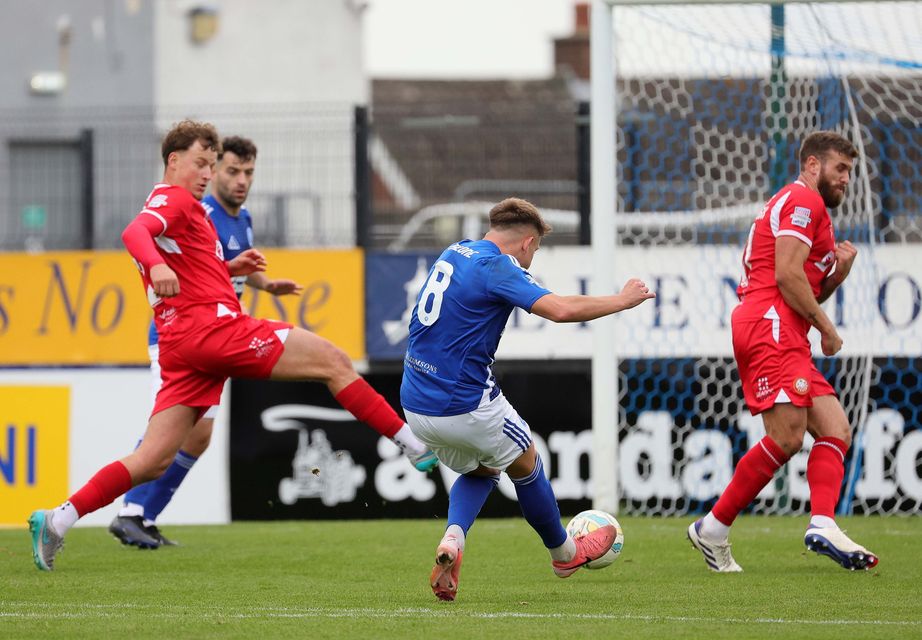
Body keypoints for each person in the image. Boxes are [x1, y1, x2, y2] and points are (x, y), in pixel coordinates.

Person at [27, 120, 434, 571]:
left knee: (153, 459)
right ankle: (413, 443)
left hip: (186, 346)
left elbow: (194, 263)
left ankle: (57, 520)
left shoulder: (193, 208)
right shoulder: (174, 198)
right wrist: (155, 266)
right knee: (334, 363)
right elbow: (134, 234)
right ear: (173, 160)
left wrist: (233, 267)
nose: (206, 173)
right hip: (211, 331)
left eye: (210, 164)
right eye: (200, 163)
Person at [399, 197, 655, 601]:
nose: (532, 258)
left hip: (415, 403)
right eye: (536, 250)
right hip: (463, 403)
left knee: (483, 469)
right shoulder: (498, 266)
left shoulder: (455, 251)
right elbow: (560, 309)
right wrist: (622, 300)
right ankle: (565, 553)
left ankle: (453, 538)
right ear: (527, 242)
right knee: (526, 461)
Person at [687, 131, 879, 573]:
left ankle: (803, 523)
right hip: (770, 324)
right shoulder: (802, 201)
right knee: (788, 436)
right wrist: (827, 330)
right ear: (813, 165)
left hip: (784, 326)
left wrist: (838, 275)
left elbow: (805, 286)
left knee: (835, 429)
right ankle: (716, 526)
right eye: (840, 168)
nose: (846, 179)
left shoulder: (809, 210)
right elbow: (788, 277)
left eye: (850, 171)